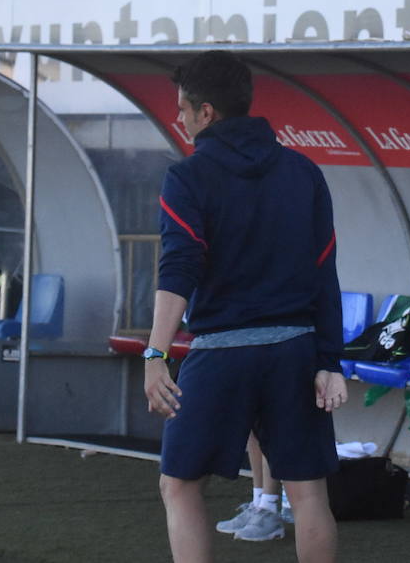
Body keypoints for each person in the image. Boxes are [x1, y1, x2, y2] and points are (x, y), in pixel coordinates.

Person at [146, 50, 345, 563]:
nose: (180, 120)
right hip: (296, 352)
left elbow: (179, 269)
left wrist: (155, 355)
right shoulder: (304, 172)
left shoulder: (187, 177)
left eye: (183, 110)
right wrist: (329, 360)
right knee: (309, 494)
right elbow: (325, 273)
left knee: (180, 485)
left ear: (206, 113)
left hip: (221, 354)